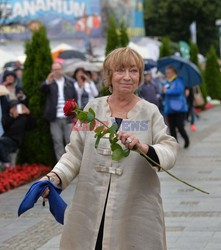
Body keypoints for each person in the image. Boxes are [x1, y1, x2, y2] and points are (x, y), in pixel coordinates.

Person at [40, 48, 178, 249]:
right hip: (91, 205)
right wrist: (54, 178)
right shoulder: (92, 110)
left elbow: (169, 148)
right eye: (120, 70)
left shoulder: (149, 112)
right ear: (109, 75)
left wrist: (143, 147)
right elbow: (74, 153)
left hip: (134, 208)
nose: (127, 77)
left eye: (134, 71)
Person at [41, 62, 78, 161]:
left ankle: (71, 164)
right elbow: (42, 90)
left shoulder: (70, 82)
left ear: (62, 69)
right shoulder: (50, 83)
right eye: (54, 69)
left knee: (70, 142)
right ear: (52, 71)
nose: (57, 71)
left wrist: (76, 115)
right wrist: (48, 82)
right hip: (54, 117)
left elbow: (75, 99)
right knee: (57, 141)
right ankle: (60, 166)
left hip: (68, 118)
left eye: (58, 69)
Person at [0, 100, 35, 166]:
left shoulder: (23, 117)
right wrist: (12, 116)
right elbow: (5, 125)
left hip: (16, 141)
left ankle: (6, 162)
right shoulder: (7, 116)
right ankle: (5, 162)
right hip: (6, 138)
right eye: (14, 107)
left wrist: (29, 114)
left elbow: (32, 126)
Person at [162, 66, 190, 148]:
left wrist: (167, 91)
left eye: (168, 73)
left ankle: (186, 140)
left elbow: (179, 91)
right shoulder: (167, 82)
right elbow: (163, 94)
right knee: (172, 128)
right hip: (169, 109)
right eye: (166, 73)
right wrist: (163, 92)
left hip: (179, 108)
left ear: (173, 72)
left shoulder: (179, 80)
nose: (167, 74)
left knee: (180, 126)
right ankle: (175, 144)